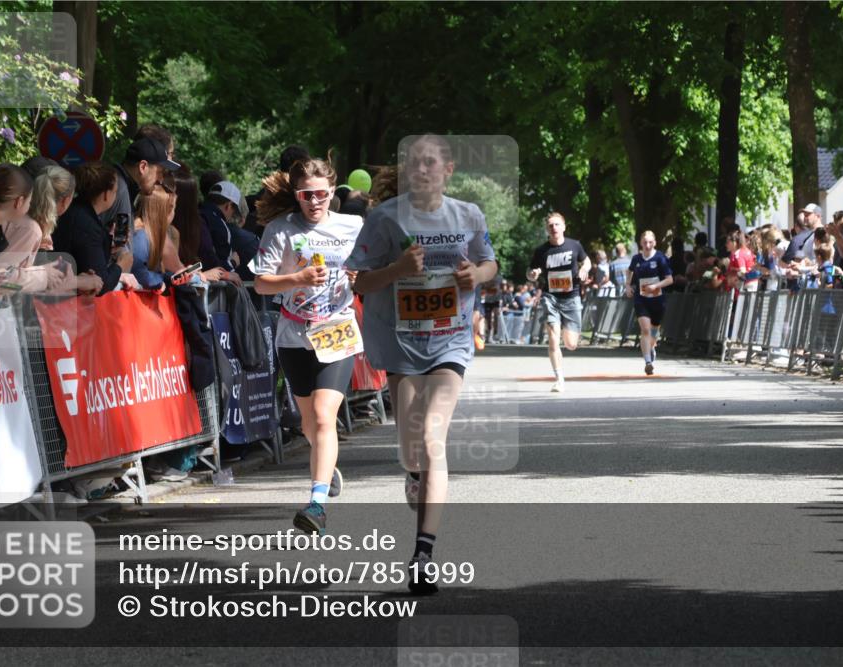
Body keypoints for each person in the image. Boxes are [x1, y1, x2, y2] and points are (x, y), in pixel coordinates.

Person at [347, 134, 497, 595]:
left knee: (433, 437)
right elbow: (359, 282)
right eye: (414, 163)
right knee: (412, 448)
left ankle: (423, 555)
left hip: (450, 341)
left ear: (448, 170)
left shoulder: (468, 215)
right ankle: (413, 474)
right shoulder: (384, 218)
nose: (422, 170)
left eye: (431, 163)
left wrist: (476, 275)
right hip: (402, 345)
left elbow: (490, 264)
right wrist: (397, 270)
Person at [252, 156, 364, 537]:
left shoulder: (352, 226)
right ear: (296, 195)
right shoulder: (280, 230)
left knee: (322, 415)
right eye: (306, 195)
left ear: (332, 191)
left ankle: (316, 504)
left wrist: (360, 276)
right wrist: (296, 278)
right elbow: (261, 283)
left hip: (338, 329)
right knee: (308, 424)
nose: (314, 202)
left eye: (320, 194)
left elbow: (374, 270)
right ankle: (325, 465)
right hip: (294, 333)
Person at [526, 212, 590, 392]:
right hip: (551, 297)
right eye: (550, 225)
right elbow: (529, 272)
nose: (554, 228)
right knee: (553, 338)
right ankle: (559, 379)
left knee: (570, 344)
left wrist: (584, 269)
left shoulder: (574, 245)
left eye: (557, 224)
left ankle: (564, 328)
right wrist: (532, 275)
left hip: (571, 297)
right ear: (547, 229)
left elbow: (587, 261)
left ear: (563, 227)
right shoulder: (541, 251)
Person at [53, 161, 134, 294]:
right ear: (106, 194)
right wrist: (120, 266)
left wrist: (108, 243)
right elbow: (101, 283)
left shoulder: (74, 210)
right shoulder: (88, 225)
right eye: (115, 191)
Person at [625, 230, 673, 375]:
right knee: (645, 329)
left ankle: (651, 347)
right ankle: (648, 362)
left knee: (654, 331)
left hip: (657, 300)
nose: (647, 245)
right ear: (641, 243)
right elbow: (629, 271)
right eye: (645, 242)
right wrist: (627, 285)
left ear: (655, 243)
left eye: (650, 242)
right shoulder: (636, 259)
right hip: (641, 299)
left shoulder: (660, 258)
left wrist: (656, 286)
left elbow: (669, 280)